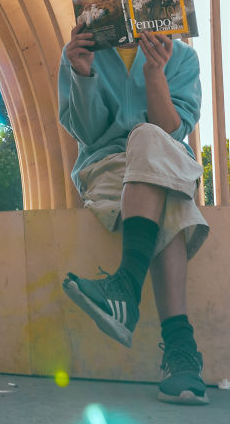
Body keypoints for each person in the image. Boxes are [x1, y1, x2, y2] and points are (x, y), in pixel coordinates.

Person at [58, 27, 209, 404]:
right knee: (172, 202)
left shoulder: (183, 58)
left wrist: (155, 73)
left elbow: (174, 133)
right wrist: (82, 74)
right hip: (108, 166)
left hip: (166, 157)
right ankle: (181, 353)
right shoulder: (81, 54)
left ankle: (125, 288)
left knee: (149, 140)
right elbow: (90, 135)